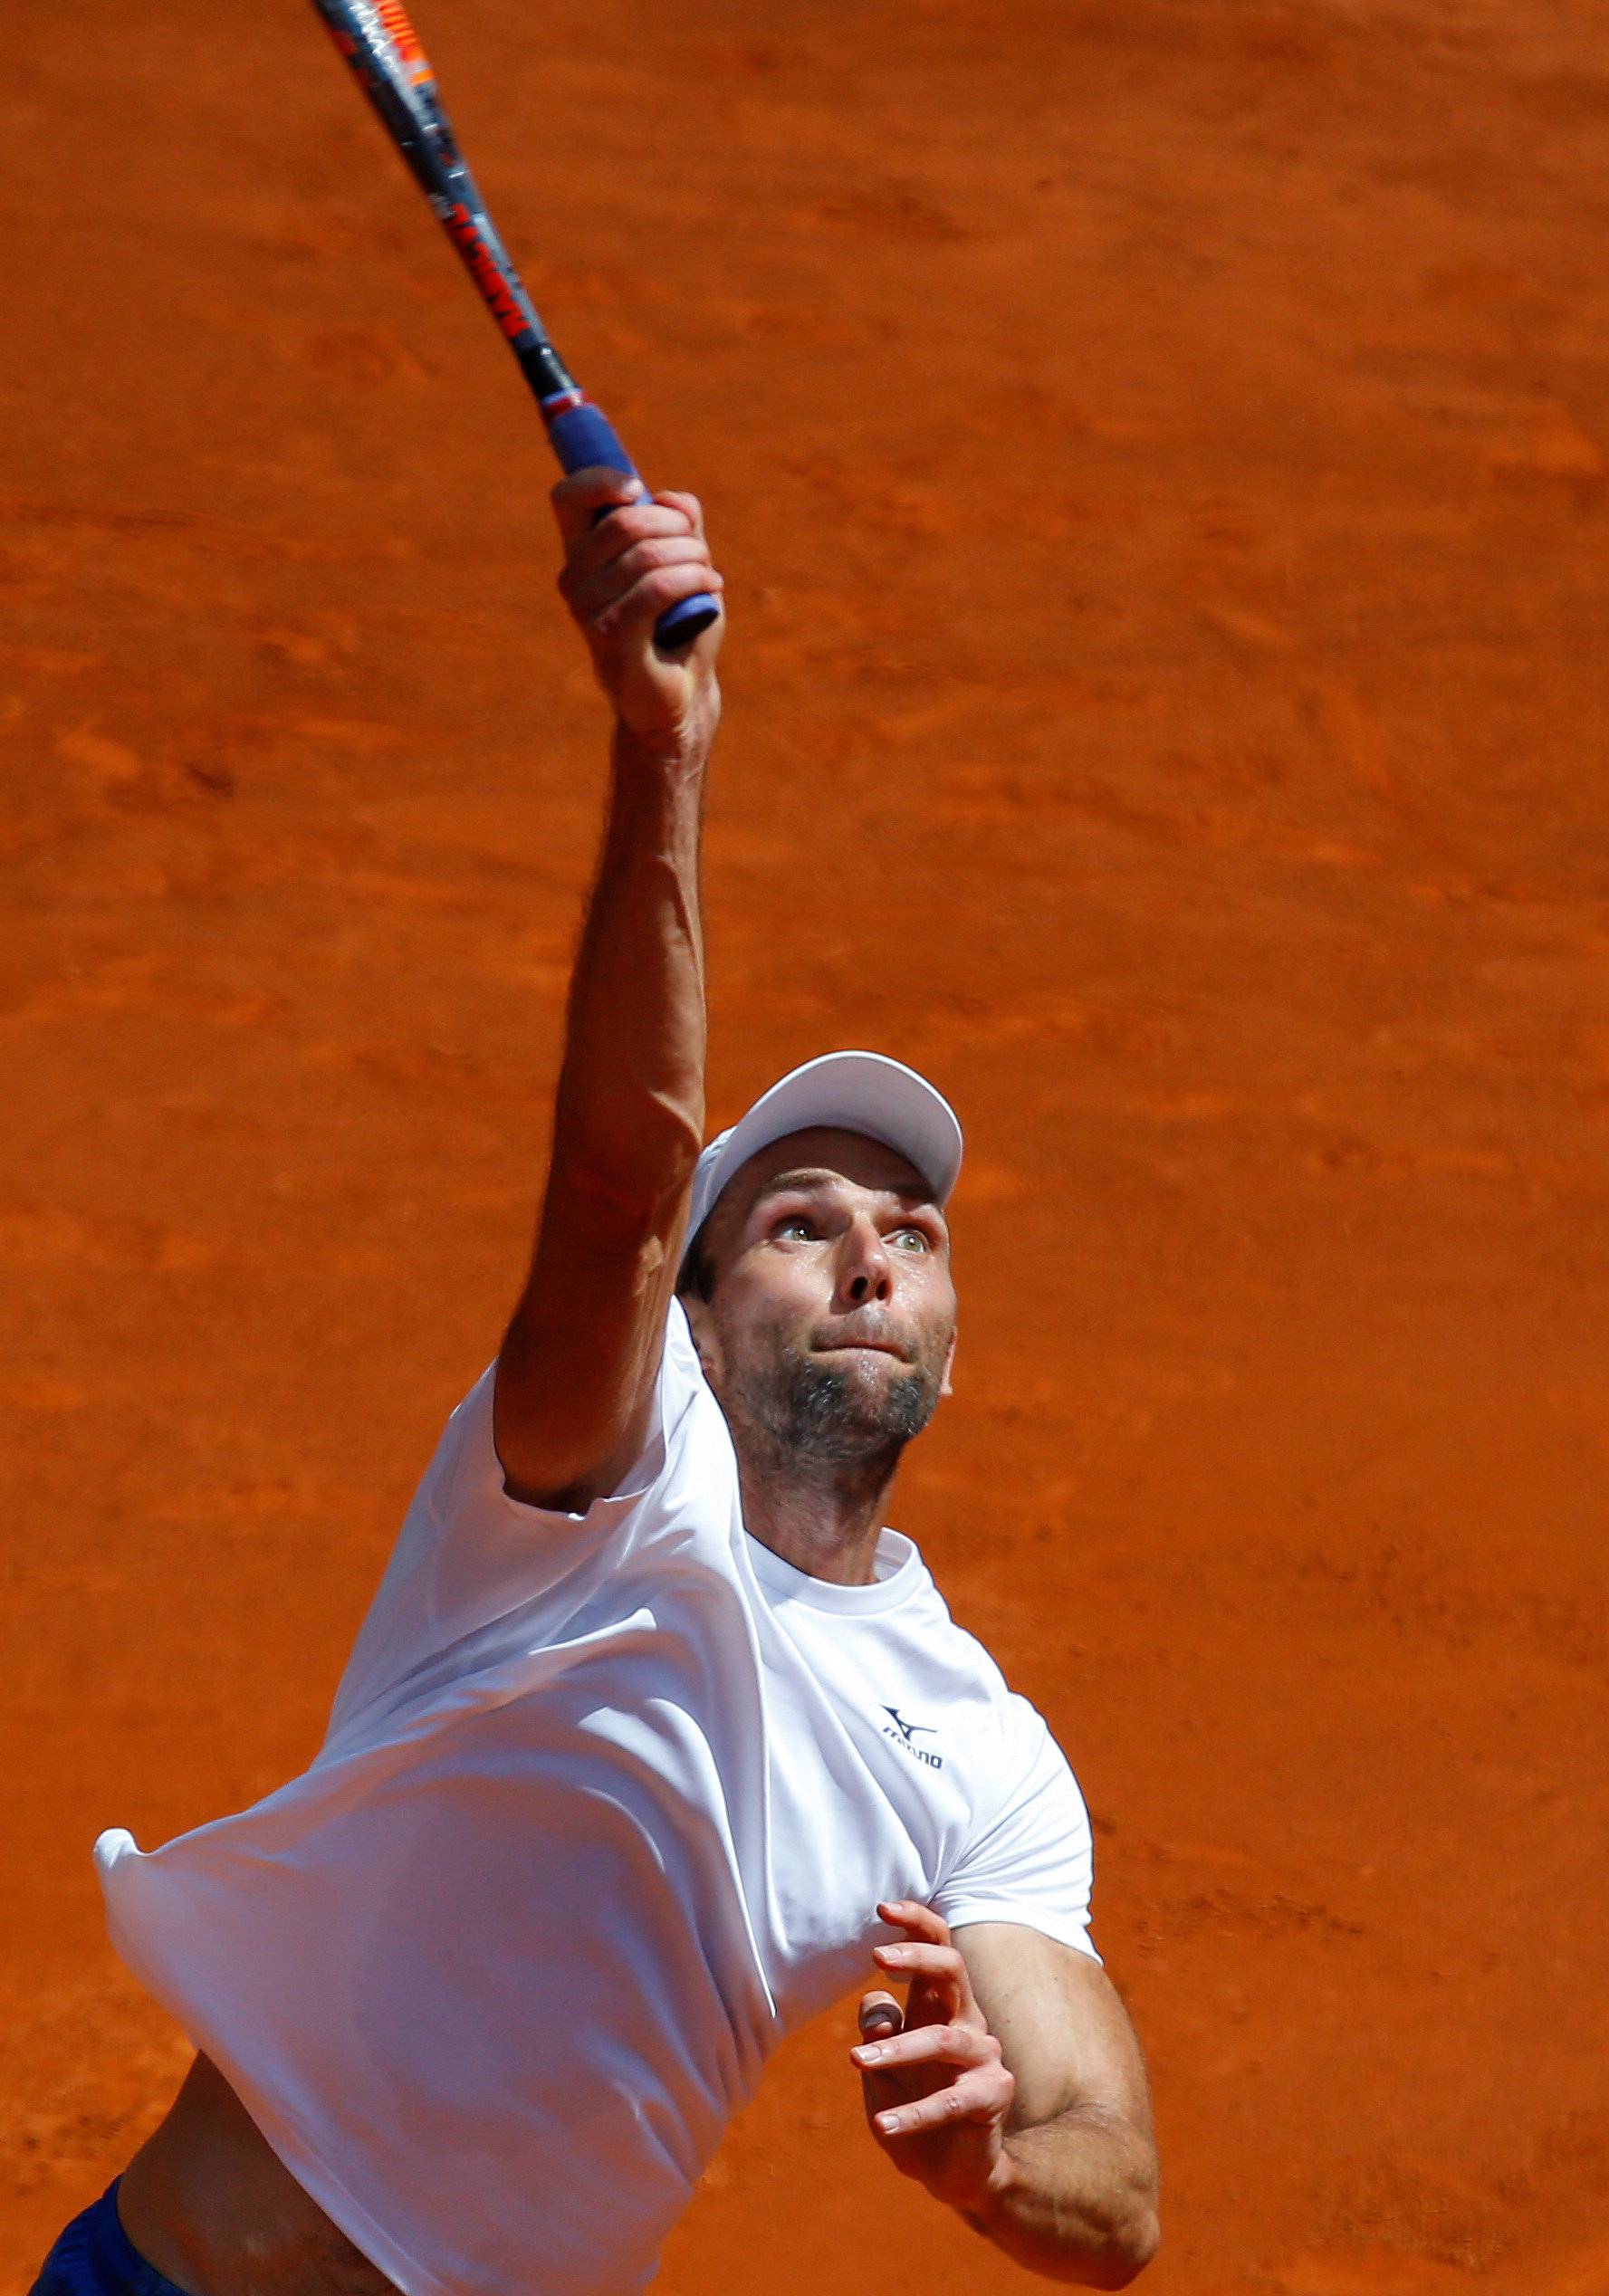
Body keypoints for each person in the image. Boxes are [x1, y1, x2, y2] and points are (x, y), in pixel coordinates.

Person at [34, 474, 1161, 2296]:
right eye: (800, 1220)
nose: (875, 1253)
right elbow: (617, 1188)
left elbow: (1115, 2190)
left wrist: (994, 2168)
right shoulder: (584, 1486)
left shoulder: (983, 1749)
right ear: (697, 1320)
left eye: (917, 1232)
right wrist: (664, 753)